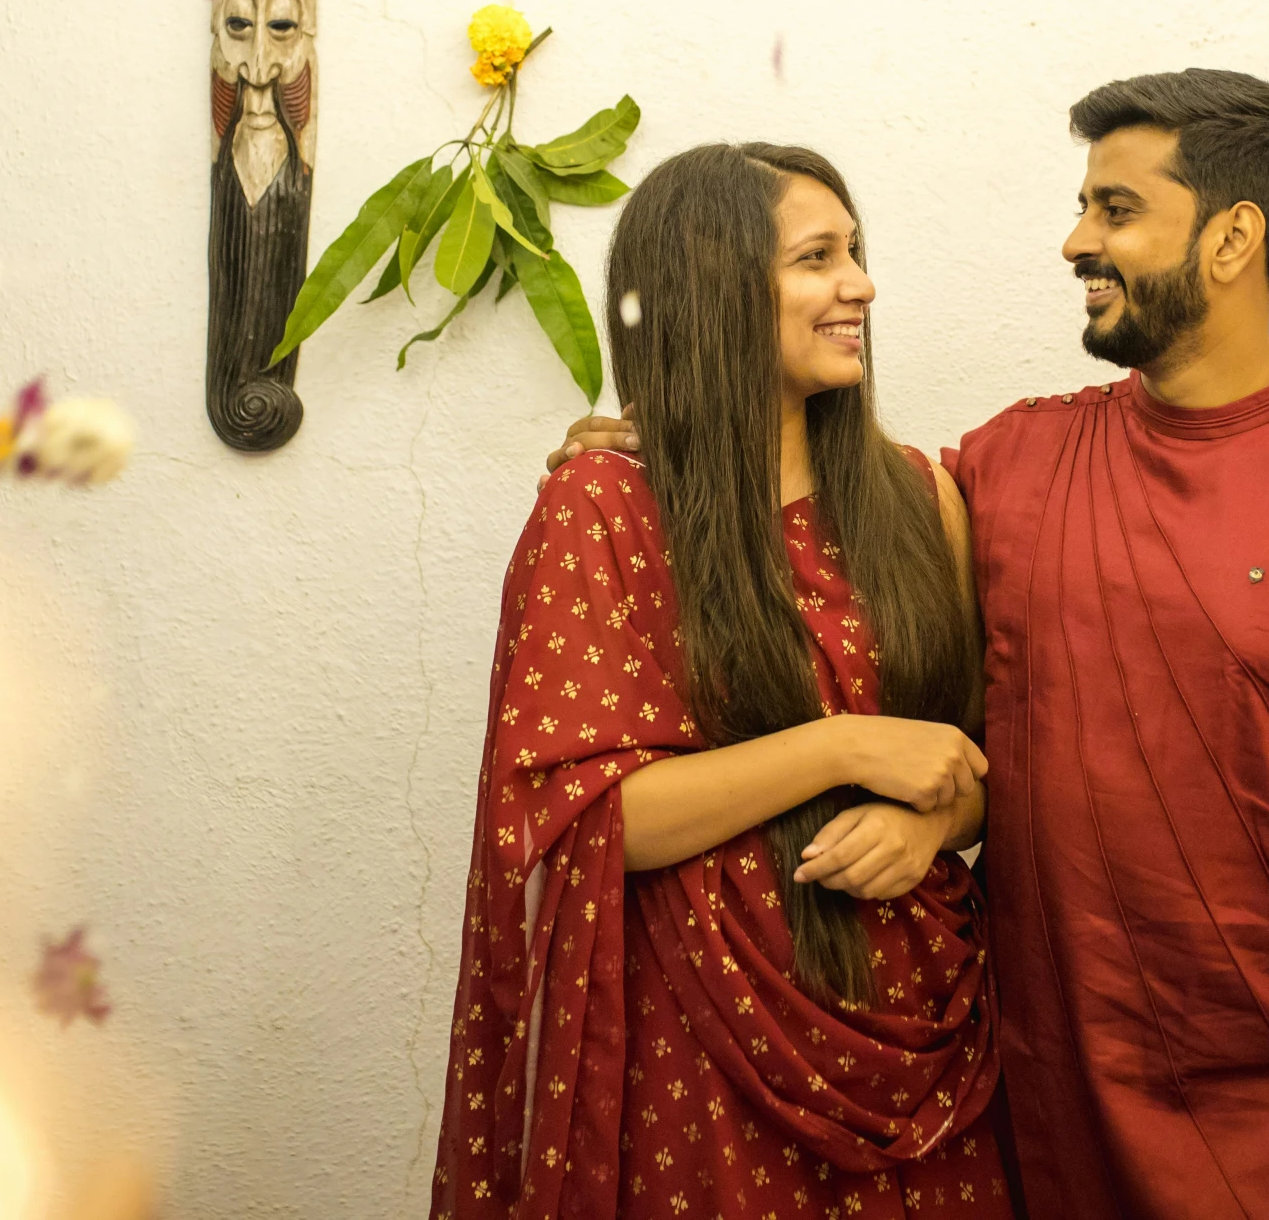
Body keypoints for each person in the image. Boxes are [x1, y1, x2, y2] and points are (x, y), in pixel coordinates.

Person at [548, 71, 1269, 1220]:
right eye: (1083, 204)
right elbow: (907, 651)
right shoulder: (1008, 468)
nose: (1076, 239)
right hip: (1014, 1130)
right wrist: (668, 432)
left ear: (1233, 239)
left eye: (1117, 210)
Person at [433, 144, 1023, 1220]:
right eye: (818, 257)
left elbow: (978, 762)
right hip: (706, 1052)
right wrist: (842, 746)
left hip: (930, 1038)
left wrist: (936, 828)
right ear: (714, 286)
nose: (861, 285)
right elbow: (586, 816)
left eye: (856, 252)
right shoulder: (604, 508)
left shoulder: (918, 495)